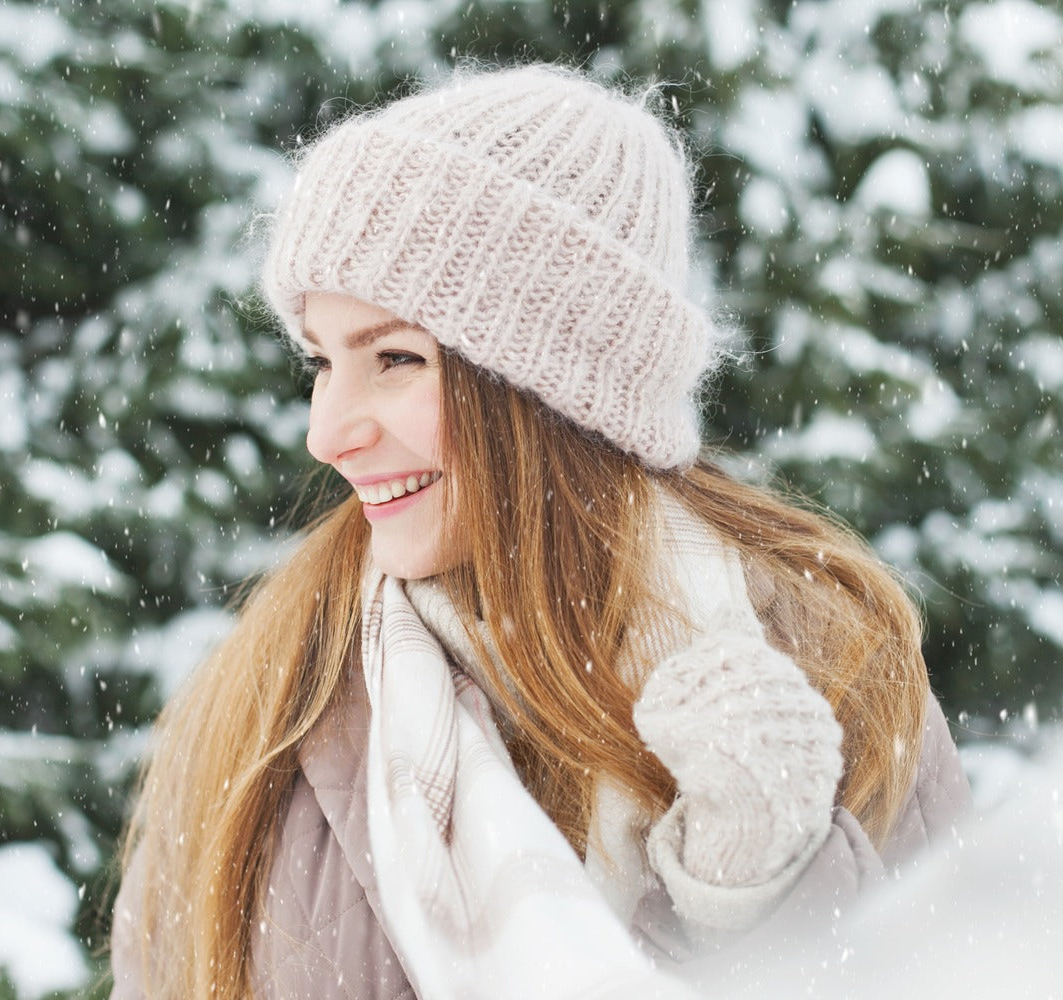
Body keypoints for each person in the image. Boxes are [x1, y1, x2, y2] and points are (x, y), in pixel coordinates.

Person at [110, 63, 970, 999]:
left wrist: (766, 899)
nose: (328, 432)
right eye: (323, 360)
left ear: (552, 396)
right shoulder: (263, 709)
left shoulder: (832, 672)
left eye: (395, 358)